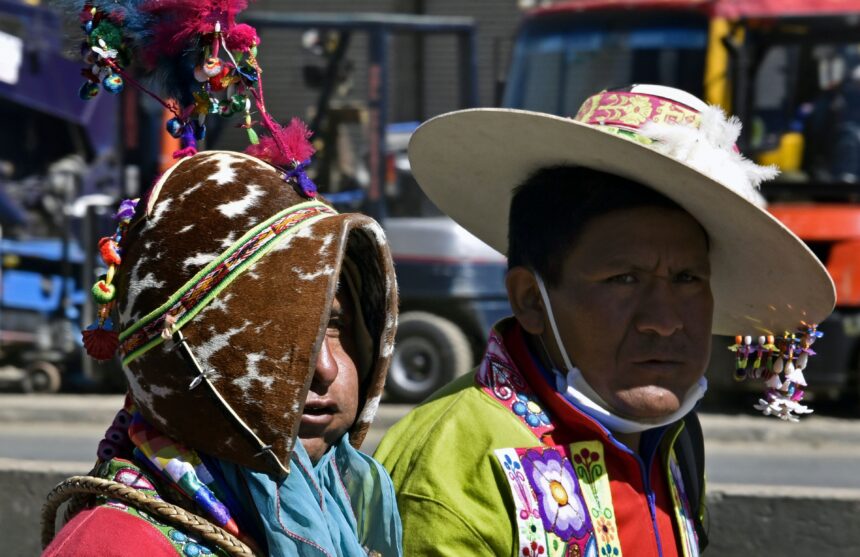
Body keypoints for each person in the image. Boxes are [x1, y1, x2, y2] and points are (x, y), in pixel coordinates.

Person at [375, 84, 835, 556]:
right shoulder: (450, 468)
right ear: (532, 300)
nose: (664, 321)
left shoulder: (673, 436)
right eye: (624, 279)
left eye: (687, 278)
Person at [41, 150, 401, 557]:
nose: (326, 367)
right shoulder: (115, 546)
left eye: (336, 327)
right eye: (279, 330)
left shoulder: (341, 517)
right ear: (189, 353)